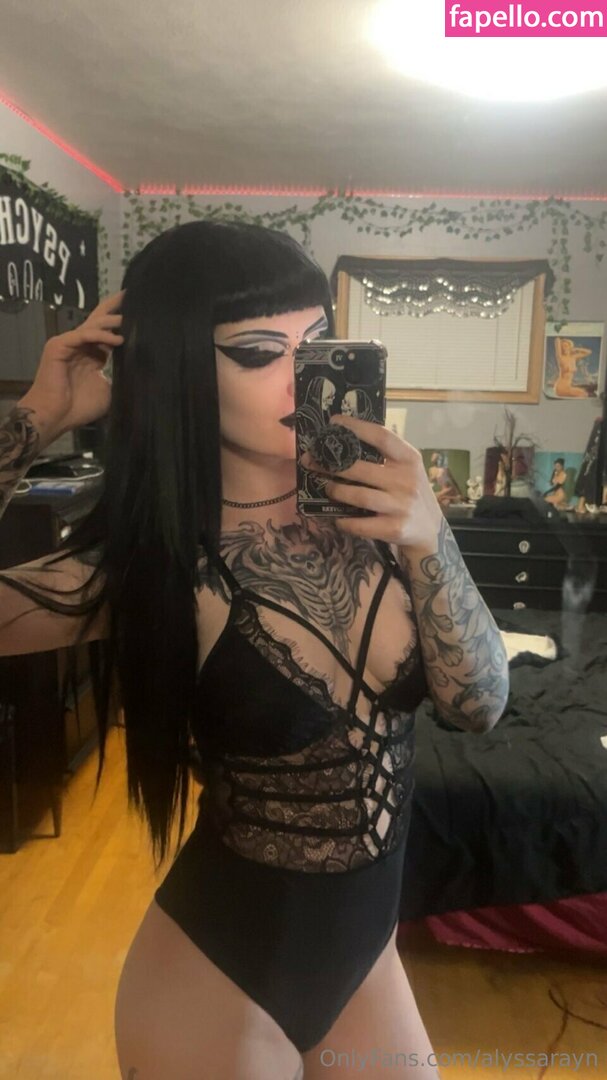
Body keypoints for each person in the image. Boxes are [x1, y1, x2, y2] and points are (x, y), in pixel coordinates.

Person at [0, 220, 509, 1080]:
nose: (303, 379)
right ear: (177, 371)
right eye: (259, 352)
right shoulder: (150, 569)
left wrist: (432, 535)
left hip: (366, 962)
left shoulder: (386, 518)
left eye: (318, 344)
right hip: (217, 981)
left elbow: (479, 703)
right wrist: (37, 417)